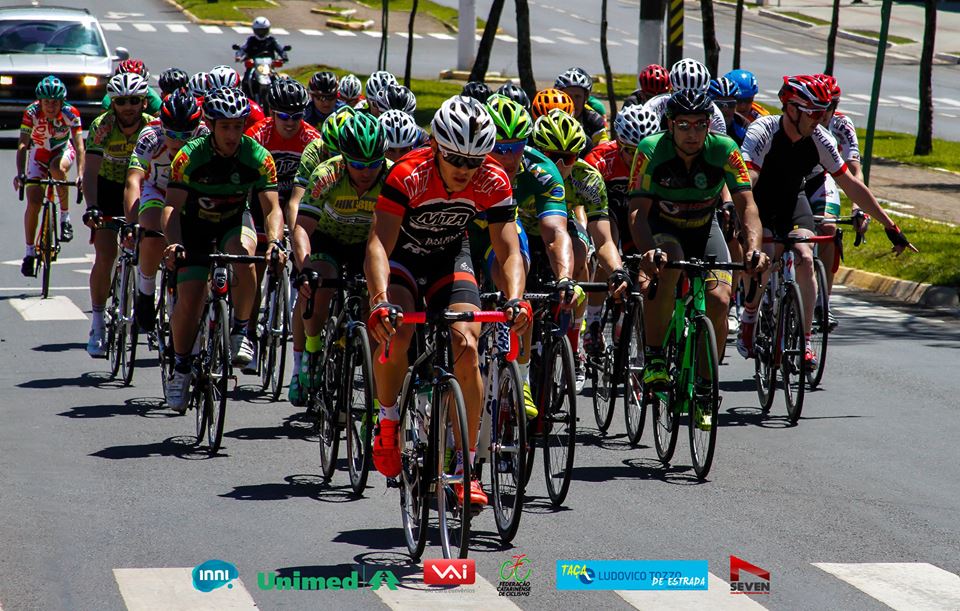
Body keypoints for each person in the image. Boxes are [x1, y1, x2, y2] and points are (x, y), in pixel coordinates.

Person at [366, 95, 531, 509]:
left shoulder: (493, 179)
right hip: (402, 259)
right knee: (397, 330)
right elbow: (379, 245)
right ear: (437, 146)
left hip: (449, 259)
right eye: (456, 158)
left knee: (468, 345)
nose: (464, 170)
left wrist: (515, 299)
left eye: (474, 162)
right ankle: (387, 422)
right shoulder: (408, 174)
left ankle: (465, 467)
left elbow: (508, 247)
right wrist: (380, 301)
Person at [736, 75, 916, 369]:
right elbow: (749, 179)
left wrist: (890, 225)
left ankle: (806, 340)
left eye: (824, 112)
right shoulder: (764, 130)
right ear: (791, 109)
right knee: (765, 256)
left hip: (794, 201)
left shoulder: (820, 138)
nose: (820, 119)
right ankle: (750, 315)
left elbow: (851, 184)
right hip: (761, 202)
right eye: (814, 113)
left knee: (806, 256)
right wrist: (736, 208)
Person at [627, 89, 769, 392]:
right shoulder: (650, 149)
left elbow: (747, 205)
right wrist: (649, 251)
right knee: (671, 261)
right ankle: (654, 358)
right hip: (663, 228)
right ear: (669, 124)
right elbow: (638, 212)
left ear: (709, 124)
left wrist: (754, 248)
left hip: (705, 227)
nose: (692, 133)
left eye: (700, 125)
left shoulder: (724, 148)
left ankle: (706, 384)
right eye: (684, 126)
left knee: (719, 299)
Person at [162, 87, 286, 412]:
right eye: (225, 126)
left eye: (238, 126)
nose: (232, 134)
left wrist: (274, 243)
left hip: (232, 220)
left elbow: (272, 209)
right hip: (194, 226)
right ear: (211, 125)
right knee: (189, 299)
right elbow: (171, 208)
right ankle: (181, 367)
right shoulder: (189, 156)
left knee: (245, 256)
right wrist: (173, 244)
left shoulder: (258, 157)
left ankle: (242, 329)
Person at [472, 95, 575, 416]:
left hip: (500, 232)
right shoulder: (468, 166)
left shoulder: (541, 170)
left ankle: (523, 377)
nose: (509, 157)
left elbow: (556, 232)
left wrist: (565, 278)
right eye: (500, 149)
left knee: (517, 274)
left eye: (516, 147)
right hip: (464, 232)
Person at [291, 114, 391, 400]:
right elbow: (302, 228)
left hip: (367, 245)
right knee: (320, 285)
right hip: (328, 239)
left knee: (375, 310)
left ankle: (375, 394)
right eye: (358, 164)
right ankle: (311, 350)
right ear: (344, 158)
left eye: (373, 164)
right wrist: (305, 267)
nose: (366, 172)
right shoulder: (327, 175)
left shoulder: (390, 176)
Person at [531, 108, 630, 386]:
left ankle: (573, 342)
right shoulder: (523, 173)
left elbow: (604, 239)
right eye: (551, 157)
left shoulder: (587, 178)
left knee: (579, 250)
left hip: (563, 229)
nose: (561, 166)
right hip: (526, 230)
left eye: (570, 158)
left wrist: (617, 271)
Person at [243, 78, 321, 371]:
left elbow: (306, 194)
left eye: (298, 116)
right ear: (271, 113)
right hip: (260, 201)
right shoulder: (257, 135)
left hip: (296, 201)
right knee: (256, 267)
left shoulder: (311, 139)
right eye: (284, 116)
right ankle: (249, 332)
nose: (291, 123)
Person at [82, 73, 153, 358]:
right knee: (106, 255)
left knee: (153, 247)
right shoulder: (103, 126)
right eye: (121, 101)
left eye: (134, 101)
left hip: (141, 190)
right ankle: (97, 323)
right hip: (109, 190)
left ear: (144, 102)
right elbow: (90, 172)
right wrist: (92, 207)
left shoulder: (151, 128)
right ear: (112, 102)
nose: (128, 107)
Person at [124, 92, 208, 331]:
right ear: (162, 127)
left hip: (191, 195)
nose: (177, 142)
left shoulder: (205, 135)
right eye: (171, 134)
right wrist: (132, 224)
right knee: (151, 230)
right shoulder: (150, 135)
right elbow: (133, 180)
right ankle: (146, 292)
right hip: (158, 190)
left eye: (185, 136)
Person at [15, 76, 85, 277]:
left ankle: (65, 218)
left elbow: (80, 147)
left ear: (62, 101)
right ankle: (29, 253)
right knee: (34, 203)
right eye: (47, 102)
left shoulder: (71, 113)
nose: (51, 106)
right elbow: (22, 145)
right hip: (38, 153)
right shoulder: (31, 113)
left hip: (62, 150)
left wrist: (80, 175)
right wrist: (20, 174)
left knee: (57, 169)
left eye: (55, 102)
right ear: (40, 102)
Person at [642, 58, 726, 134]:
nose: (690, 104)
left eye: (697, 98)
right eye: (682, 97)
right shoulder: (654, 105)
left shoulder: (716, 116)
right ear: (671, 91)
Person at [554, 68, 608, 155]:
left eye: (578, 96)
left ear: (585, 98)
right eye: (568, 96)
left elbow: (603, 149)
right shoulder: (548, 114)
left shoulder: (594, 119)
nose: (573, 101)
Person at [234, 16, 289, 98]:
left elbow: (280, 49)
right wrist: (239, 56)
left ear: (268, 30)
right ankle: (246, 99)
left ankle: (278, 98)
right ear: (254, 30)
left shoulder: (271, 40)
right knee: (245, 81)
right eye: (259, 31)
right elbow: (243, 48)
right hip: (254, 66)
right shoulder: (251, 40)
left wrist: (284, 56)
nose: (261, 33)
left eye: (263, 30)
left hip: (269, 67)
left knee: (277, 81)